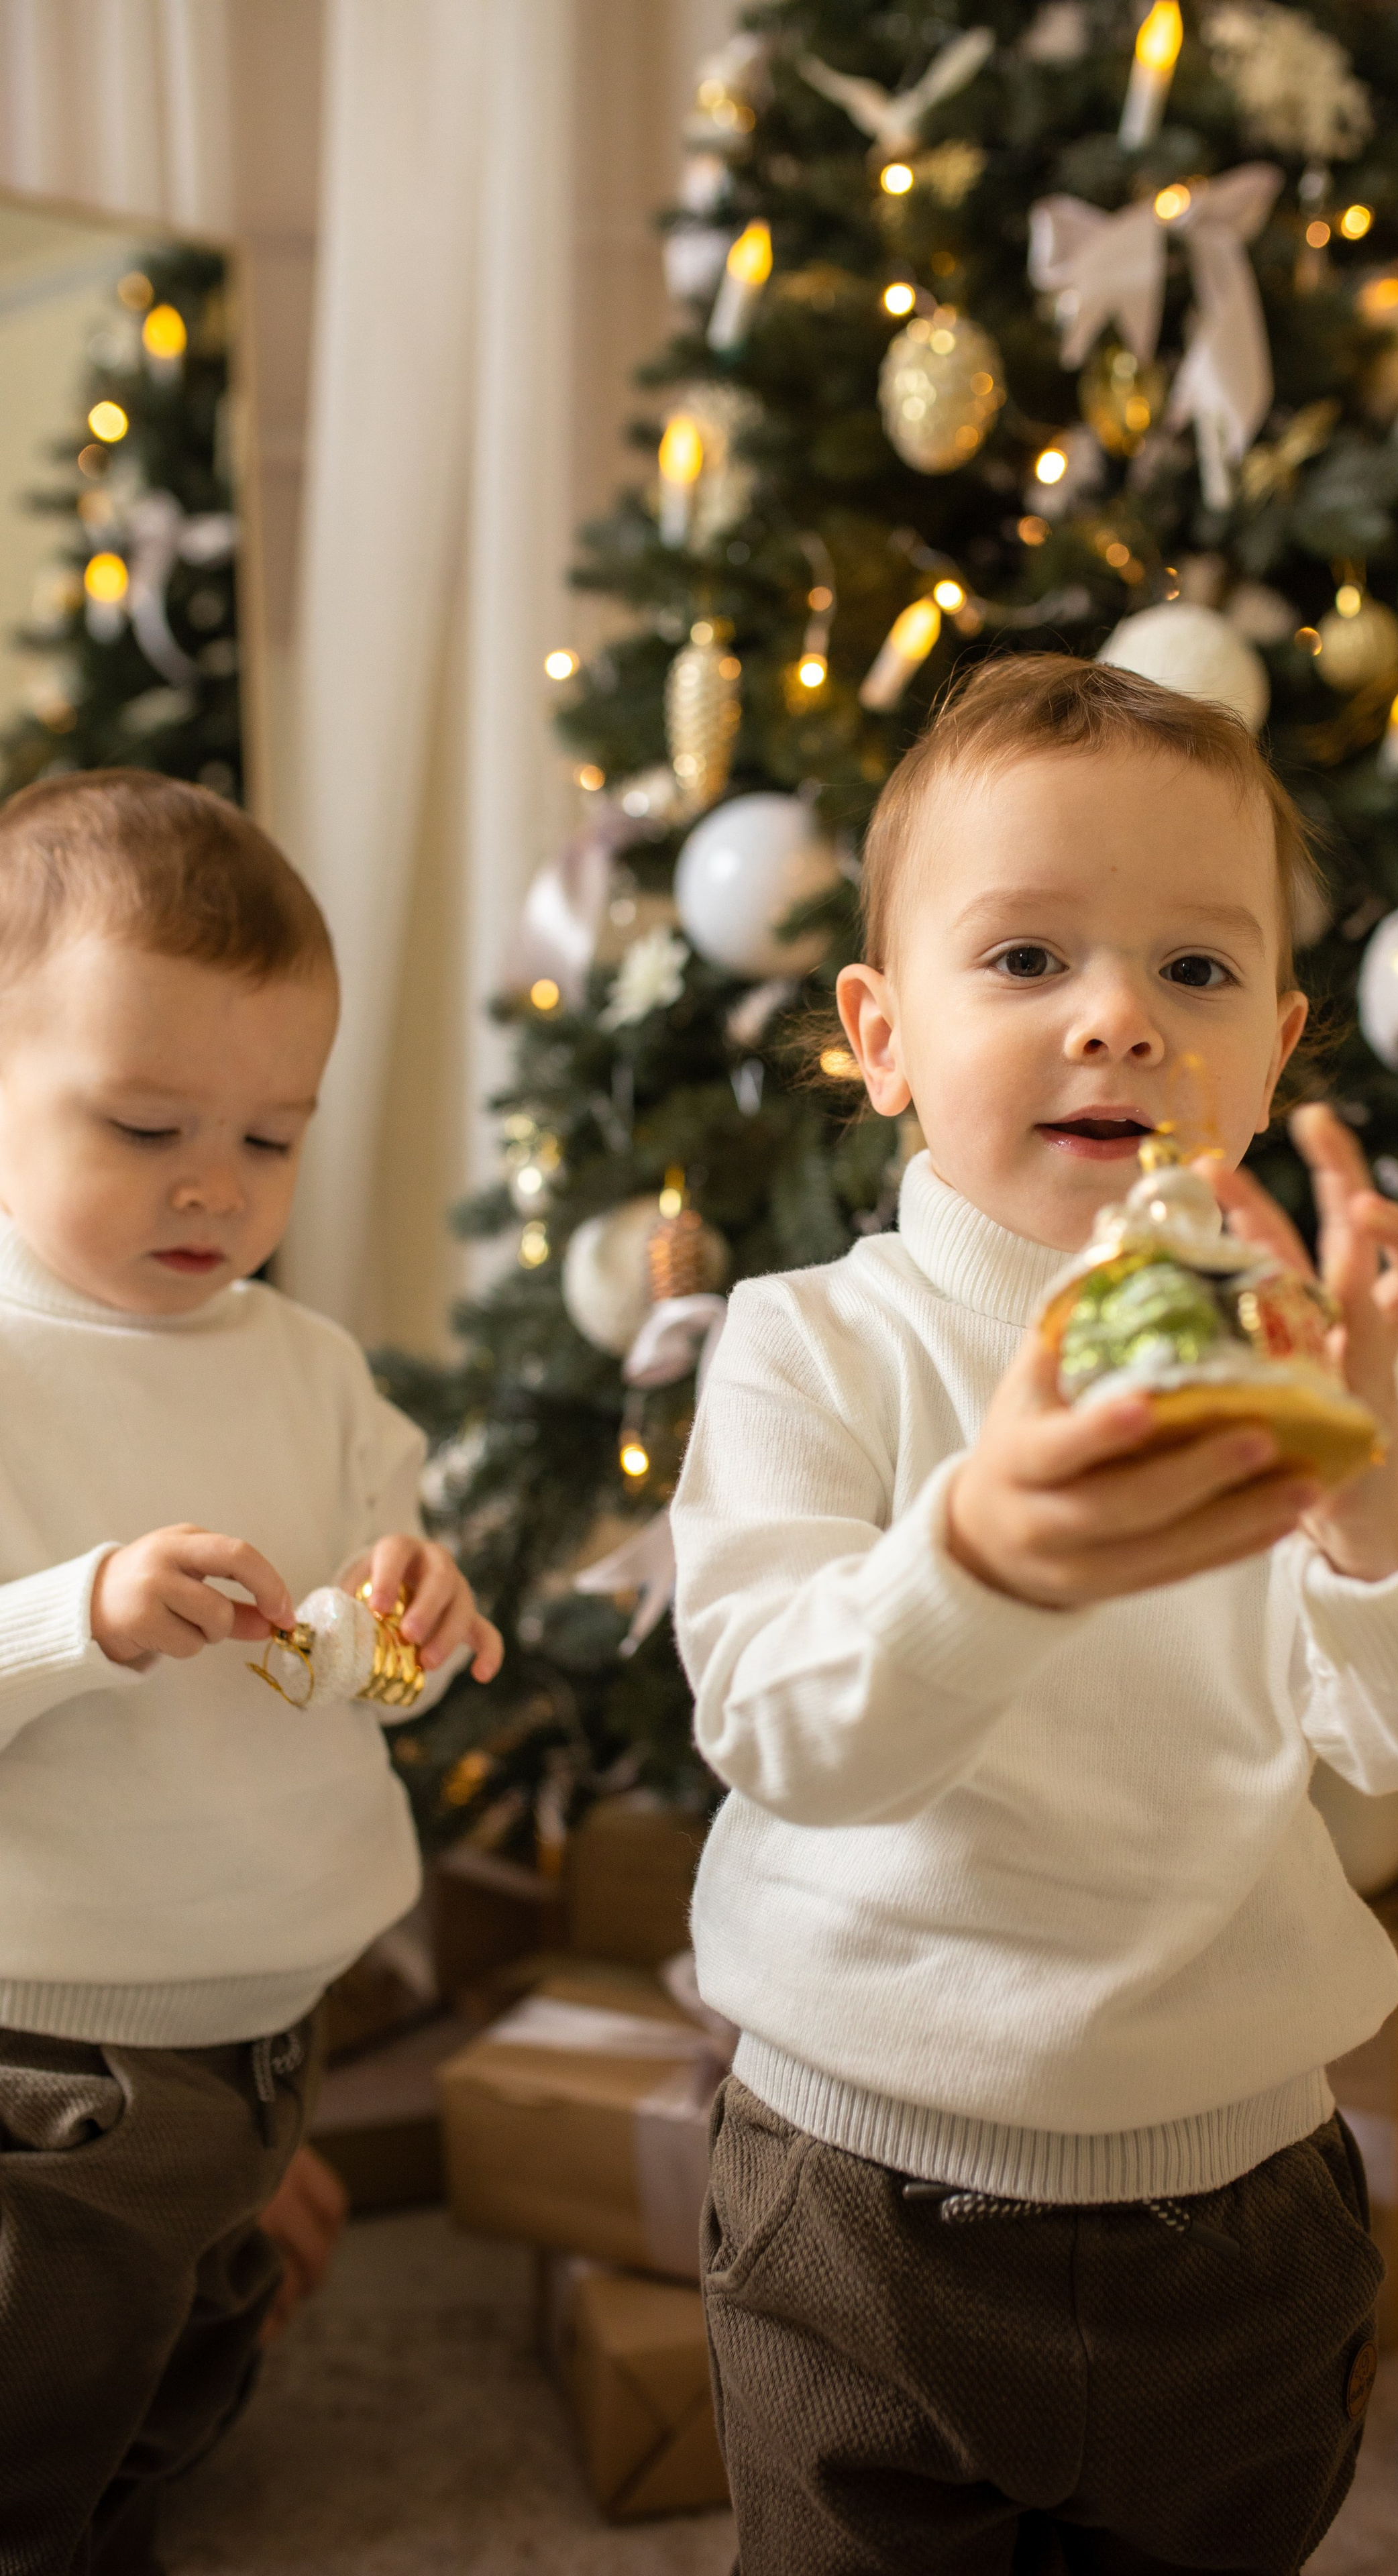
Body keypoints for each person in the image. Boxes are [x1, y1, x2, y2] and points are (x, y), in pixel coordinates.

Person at [673, 657, 1398, 2575]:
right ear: (879, 1029)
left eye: (1195, 972)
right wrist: (978, 1551)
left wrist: (1371, 1498)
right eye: (1023, 962)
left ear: (1276, 1050)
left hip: (1235, 2209)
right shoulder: (811, 1345)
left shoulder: (1331, 1368)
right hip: (856, 2194)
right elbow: (780, 1731)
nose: (1117, 1023)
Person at [0, 771, 500, 2576]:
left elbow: (371, 1661)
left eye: (270, 1138)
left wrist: (415, 1623)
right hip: (51, 2065)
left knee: (172, 2394)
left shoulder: (307, 1370)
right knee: (30, 2433)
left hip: (264, 2032)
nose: (215, 1183)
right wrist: (85, 1614)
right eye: (142, 1127)